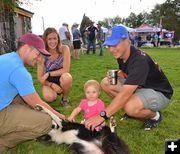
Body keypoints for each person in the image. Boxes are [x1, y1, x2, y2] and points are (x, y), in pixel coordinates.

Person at [85, 25, 173, 131]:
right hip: (141, 87)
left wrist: (102, 116)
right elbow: (127, 73)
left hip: (160, 93)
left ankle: (155, 116)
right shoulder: (122, 55)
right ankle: (134, 108)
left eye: (115, 44)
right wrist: (117, 73)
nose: (111, 50)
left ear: (127, 40)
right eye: (109, 46)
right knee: (105, 83)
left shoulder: (139, 60)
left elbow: (125, 94)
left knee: (130, 107)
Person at [0, 33, 65, 153]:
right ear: (26, 48)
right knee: (46, 122)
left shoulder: (7, 58)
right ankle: (3, 143)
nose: (39, 58)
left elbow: (29, 97)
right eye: (38, 54)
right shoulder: (19, 71)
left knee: (21, 99)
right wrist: (59, 117)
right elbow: (38, 104)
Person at [37, 27, 72, 107]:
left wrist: (48, 74)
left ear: (58, 39)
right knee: (49, 98)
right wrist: (51, 85)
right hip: (50, 80)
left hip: (62, 76)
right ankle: (54, 92)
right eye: (49, 39)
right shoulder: (42, 54)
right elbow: (40, 78)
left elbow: (66, 70)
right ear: (45, 40)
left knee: (67, 77)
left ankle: (65, 99)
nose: (53, 41)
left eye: (55, 38)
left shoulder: (64, 49)